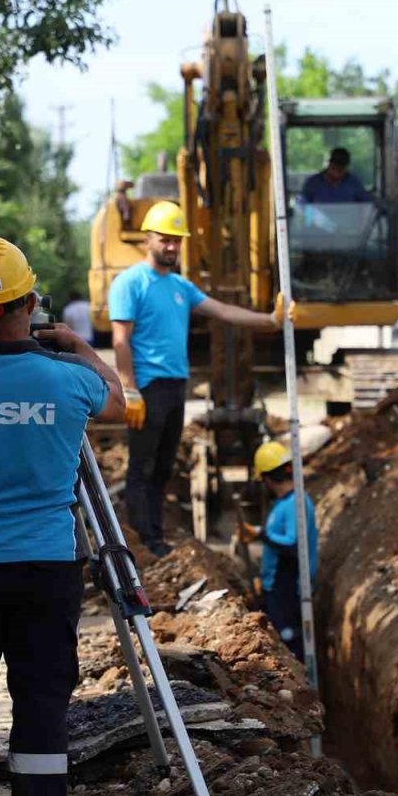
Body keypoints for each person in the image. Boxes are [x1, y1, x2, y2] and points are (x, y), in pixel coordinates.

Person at [0, 236, 125, 796]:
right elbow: (122, 403)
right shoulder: (71, 379)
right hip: (47, 564)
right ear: (30, 302)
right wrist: (78, 346)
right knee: (41, 695)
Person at [109, 200, 296, 558]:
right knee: (142, 467)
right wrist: (129, 388)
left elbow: (223, 311)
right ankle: (145, 542)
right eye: (165, 239)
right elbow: (120, 339)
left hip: (176, 386)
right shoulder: (130, 283)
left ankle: (157, 535)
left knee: (163, 467)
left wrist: (270, 321)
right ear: (148, 238)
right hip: (147, 388)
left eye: (177, 240)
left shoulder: (181, 286)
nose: (171, 246)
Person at [240, 441, 318, 662]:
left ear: (266, 478)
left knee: (290, 644)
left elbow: (293, 545)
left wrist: (261, 534)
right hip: (279, 586)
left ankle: (301, 689)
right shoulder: (286, 503)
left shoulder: (296, 503)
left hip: (289, 588)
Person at [299, 147, 372, 205]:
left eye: (340, 170)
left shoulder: (354, 183)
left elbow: (367, 204)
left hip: (349, 223)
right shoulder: (313, 183)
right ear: (329, 164)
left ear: (346, 168)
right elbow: (302, 206)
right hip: (318, 223)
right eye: (333, 168)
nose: (336, 174)